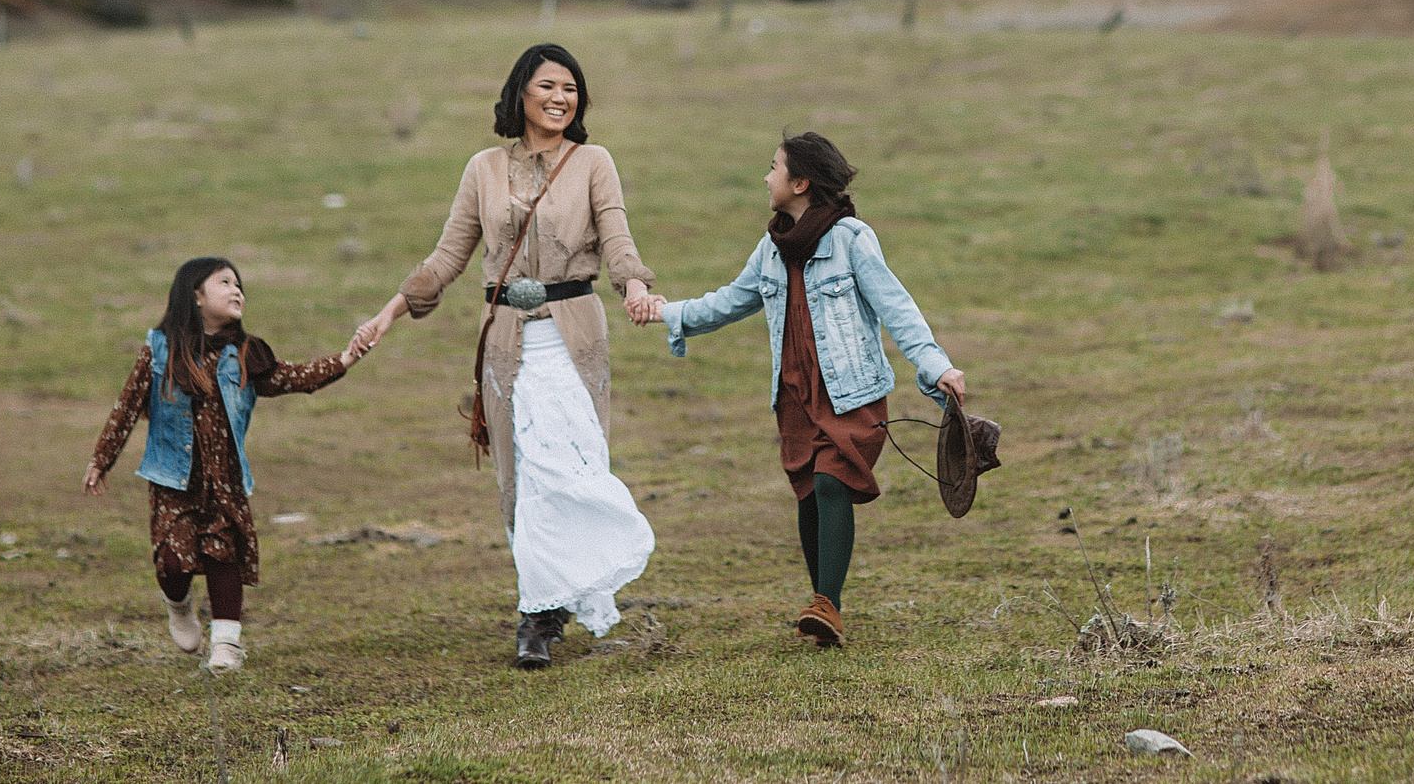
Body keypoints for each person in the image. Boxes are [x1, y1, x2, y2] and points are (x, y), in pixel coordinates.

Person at [354, 42, 660, 669]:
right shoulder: (483, 169)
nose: (560, 98)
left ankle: (566, 590)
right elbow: (447, 257)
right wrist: (388, 313)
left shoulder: (594, 161)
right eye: (548, 85)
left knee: (571, 467)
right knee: (522, 477)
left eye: (571, 88)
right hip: (507, 344)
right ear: (520, 92)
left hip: (575, 337)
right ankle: (538, 613)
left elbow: (618, 236)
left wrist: (635, 284)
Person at [640, 132, 963, 648]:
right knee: (810, 494)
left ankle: (826, 603)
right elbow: (729, 301)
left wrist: (935, 365)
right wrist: (668, 312)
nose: (765, 178)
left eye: (773, 168)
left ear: (800, 182)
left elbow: (897, 307)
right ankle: (822, 604)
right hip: (794, 397)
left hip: (851, 392)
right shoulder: (770, 249)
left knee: (834, 482)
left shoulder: (853, 240)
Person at [87, 256, 363, 672]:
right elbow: (127, 405)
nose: (238, 291)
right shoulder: (160, 349)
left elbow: (296, 378)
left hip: (226, 481)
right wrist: (102, 459)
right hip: (172, 480)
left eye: (240, 286)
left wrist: (345, 358)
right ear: (195, 296)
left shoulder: (246, 354)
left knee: (223, 555)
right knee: (174, 562)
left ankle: (226, 645)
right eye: (225, 283)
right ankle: (178, 604)